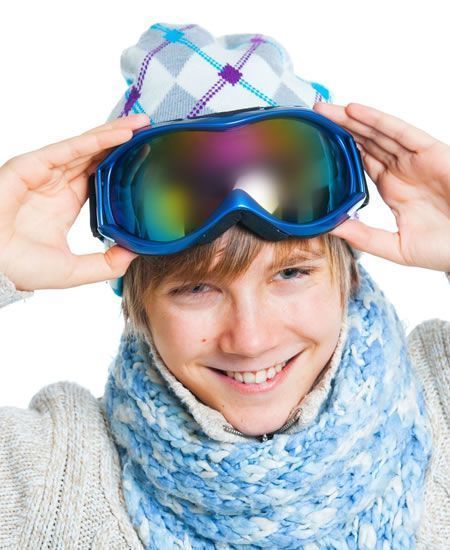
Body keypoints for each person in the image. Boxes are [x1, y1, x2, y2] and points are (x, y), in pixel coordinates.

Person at [0, 21, 449, 549]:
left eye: (290, 273)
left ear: (347, 274)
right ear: (137, 304)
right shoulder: (49, 474)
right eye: (196, 289)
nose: (251, 339)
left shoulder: (440, 394)